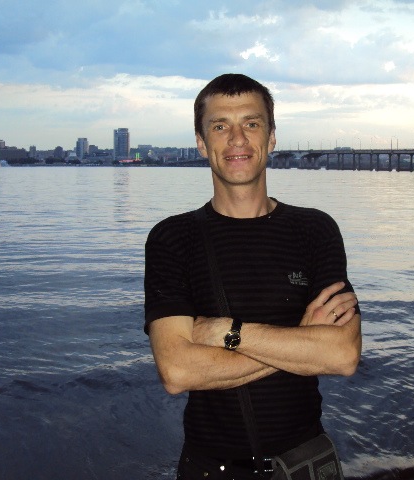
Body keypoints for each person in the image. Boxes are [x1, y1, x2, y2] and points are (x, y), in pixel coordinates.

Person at [144, 73, 362, 479]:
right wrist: (302, 340)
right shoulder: (172, 238)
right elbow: (177, 371)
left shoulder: (315, 230)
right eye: (220, 126)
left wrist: (228, 332)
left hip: (305, 465)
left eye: (251, 123)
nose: (237, 139)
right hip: (210, 468)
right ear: (201, 142)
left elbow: (343, 356)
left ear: (271, 137)